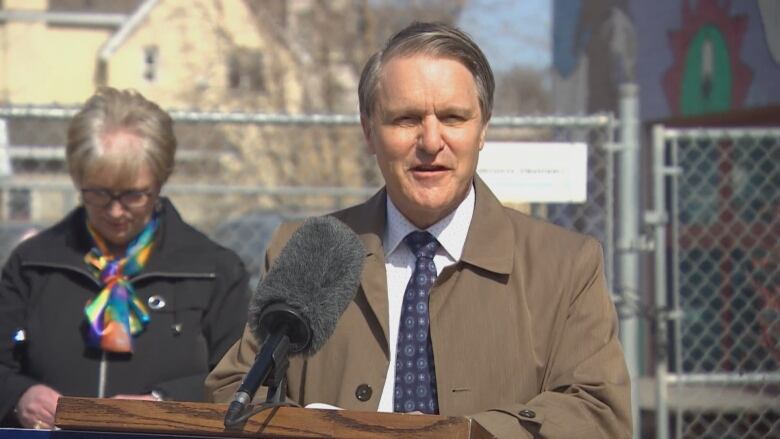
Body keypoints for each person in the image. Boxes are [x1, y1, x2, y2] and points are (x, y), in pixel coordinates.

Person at [205, 22, 631, 438]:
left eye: (453, 117)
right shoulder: (312, 250)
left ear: (482, 128)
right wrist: (320, 430)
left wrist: (461, 434)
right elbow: (234, 395)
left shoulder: (564, 266)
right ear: (369, 130)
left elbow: (599, 415)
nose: (430, 141)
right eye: (406, 119)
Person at [0, 88, 250, 429]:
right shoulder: (33, 264)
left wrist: (166, 404)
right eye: (99, 193)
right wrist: (19, 396)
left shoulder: (214, 271)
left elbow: (242, 380)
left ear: (160, 182)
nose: (116, 211)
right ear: (77, 179)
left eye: (134, 195)